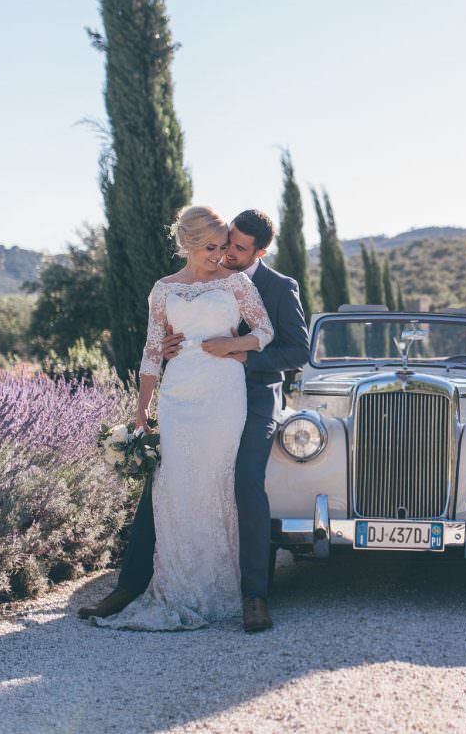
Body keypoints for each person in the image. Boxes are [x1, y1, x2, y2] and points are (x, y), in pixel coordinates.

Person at [79, 208, 310, 632]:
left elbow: (296, 351)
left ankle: (254, 594)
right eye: (223, 245)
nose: (227, 254)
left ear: (259, 250)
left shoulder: (275, 286)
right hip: (185, 392)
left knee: (242, 479)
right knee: (165, 478)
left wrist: (239, 352)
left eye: (237, 248)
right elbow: (159, 342)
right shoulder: (176, 285)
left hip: (254, 396)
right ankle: (131, 585)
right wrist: (167, 354)